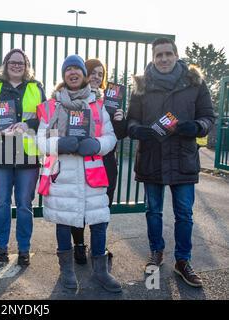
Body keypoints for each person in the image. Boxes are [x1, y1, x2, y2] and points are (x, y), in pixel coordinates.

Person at [127, 38, 215, 288]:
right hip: (152, 157)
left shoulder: (195, 82)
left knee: (184, 214)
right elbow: (132, 120)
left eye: (168, 54)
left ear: (177, 56)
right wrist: (137, 130)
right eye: (159, 55)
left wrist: (197, 126)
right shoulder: (141, 85)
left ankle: (183, 261)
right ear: (152, 58)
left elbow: (208, 116)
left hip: (183, 157)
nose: (163, 59)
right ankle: (156, 252)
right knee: (153, 211)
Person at [36, 55, 121, 292]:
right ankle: (67, 270)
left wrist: (97, 145)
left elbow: (111, 137)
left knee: (99, 222)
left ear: (84, 74)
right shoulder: (51, 106)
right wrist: (59, 145)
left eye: (77, 69)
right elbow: (40, 140)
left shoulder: (98, 104)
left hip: (92, 174)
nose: (73, 73)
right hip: (62, 174)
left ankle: (101, 272)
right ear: (63, 75)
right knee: (64, 223)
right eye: (68, 69)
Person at [0, 49, 46, 266]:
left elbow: (46, 117)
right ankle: (2, 247)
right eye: (12, 62)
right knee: (2, 203)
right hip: (0, 153)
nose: (17, 66)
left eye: (21, 63)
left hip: (28, 156)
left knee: (25, 204)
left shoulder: (37, 88)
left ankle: (24, 248)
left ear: (27, 67)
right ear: (5, 65)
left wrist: (29, 124)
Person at [70, 59, 127, 265]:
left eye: (100, 74)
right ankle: (78, 245)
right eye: (92, 72)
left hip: (106, 161)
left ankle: (98, 244)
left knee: (102, 205)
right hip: (82, 160)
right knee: (80, 204)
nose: (96, 77)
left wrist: (120, 120)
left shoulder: (110, 102)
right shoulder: (75, 97)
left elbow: (118, 135)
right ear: (84, 74)